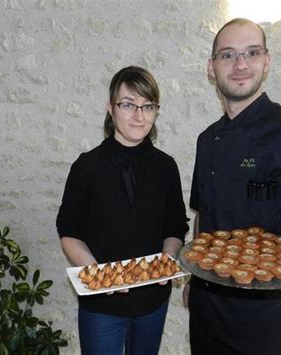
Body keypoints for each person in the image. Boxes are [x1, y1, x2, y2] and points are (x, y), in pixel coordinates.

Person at [183, 18, 281, 355]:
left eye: (251, 53)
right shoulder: (206, 140)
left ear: (266, 61)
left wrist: (270, 277)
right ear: (211, 68)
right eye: (227, 55)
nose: (240, 65)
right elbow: (204, 217)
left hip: (265, 324)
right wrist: (194, 280)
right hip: (206, 314)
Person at [56, 65, 189, 355]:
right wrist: (101, 276)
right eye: (128, 104)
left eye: (147, 105)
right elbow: (69, 232)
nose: (139, 115)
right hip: (101, 304)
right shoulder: (86, 166)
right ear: (110, 108)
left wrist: (167, 260)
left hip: (153, 300)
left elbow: (175, 226)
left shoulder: (166, 167)